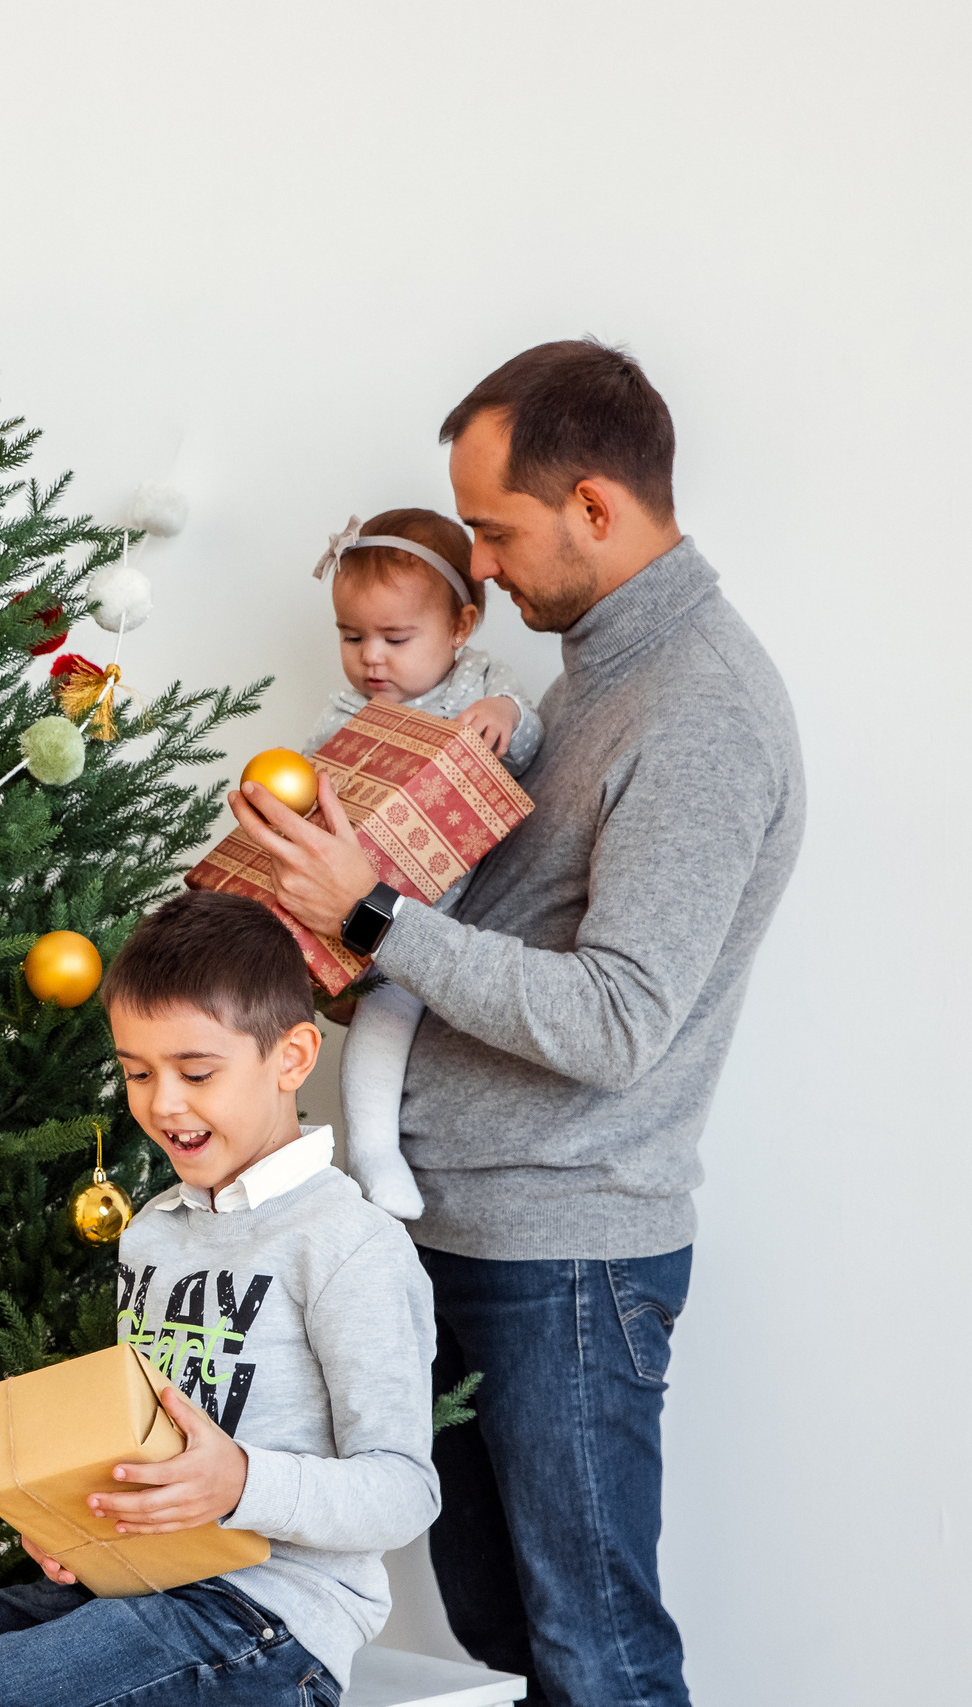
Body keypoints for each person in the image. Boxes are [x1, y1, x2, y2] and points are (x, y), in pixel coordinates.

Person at [228, 340, 803, 1707]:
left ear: (596, 507)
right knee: (503, 1643)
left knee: (595, 1657)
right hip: (465, 1230)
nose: (476, 570)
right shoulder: (591, 677)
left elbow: (617, 1019)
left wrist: (370, 912)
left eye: (493, 530)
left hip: (569, 1254)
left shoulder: (698, 708)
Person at [0, 890, 437, 1707]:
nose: (162, 1102)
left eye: (196, 1071)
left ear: (293, 1056)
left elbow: (404, 1489)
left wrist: (241, 1482)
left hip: (269, 1617)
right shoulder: (155, 1233)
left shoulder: (350, 1245)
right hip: (129, 1580)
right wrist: (71, 1524)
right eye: (137, 1071)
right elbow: (134, 1428)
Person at [303, 507, 542, 1219]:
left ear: (460, 628)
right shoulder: (348, 707)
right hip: (390, 912)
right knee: (383, 1011)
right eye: (352, 636)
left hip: (479, 905)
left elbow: (530, 738)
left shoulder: (481, 684)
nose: (372, 657)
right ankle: (371, 1152)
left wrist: (507, 715)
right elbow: (322, 785)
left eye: (396, 638)